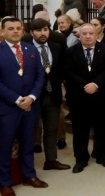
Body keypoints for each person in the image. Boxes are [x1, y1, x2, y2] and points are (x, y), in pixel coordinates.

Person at [0, 17, 49, 195]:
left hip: (31, 106)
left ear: (23, 30)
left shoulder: (31, 49)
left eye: (18, 28)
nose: (15, 31)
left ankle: (29, 175)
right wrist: (18, 100)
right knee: (5, 147)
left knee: (28, 143)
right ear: (3, 32)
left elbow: (40, 77)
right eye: (11, 28)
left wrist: (32, 97)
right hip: (7, 108)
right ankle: (5, 183)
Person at [64, 24, 105, 173]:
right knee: (80, 130)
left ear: (96, 34)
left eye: (90, 33)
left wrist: (96, 84)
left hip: (101, 97)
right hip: (79, 97)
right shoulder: (70, 52)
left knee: (102, 129)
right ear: (79, 35)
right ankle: (81, 159)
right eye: (84, 33)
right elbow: (68, 72)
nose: (87, 36)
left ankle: (102, 156)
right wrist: (86, 85)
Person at [28, 19, 71, 172]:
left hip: (53, 94)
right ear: (32, 32)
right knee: (30, 131)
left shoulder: (57, 48)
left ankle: (51, 160)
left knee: (51, 129)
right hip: (32, 97)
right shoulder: (26, 48)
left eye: (45, 29)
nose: (43, 33)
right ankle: (27, 166)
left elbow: (63, 70)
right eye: (38, 30)